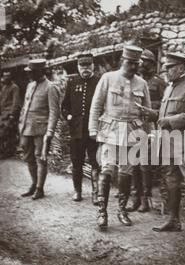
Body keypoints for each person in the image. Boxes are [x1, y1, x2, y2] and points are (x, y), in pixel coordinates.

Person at [140, 52, 185, 242]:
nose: (166, 71)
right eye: (166, 67)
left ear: (181, 67)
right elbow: (164, 114)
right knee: (171, 180)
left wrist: (168, 121)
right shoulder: (171, 87)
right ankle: (173, 220)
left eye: (169, 67)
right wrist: (152, 114)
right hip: (170, 141)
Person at [89, 45, 151, 230]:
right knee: (106, 170)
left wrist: (147, 134)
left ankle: (122, 210)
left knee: (126, 173)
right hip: (111, 131)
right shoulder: (108, 78)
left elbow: (146, 113)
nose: (133, 67)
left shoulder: (142, 84)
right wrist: (93, 129)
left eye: (136, 64)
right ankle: (102, 212)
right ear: (123, 61)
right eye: (130, 63)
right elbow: (96, 104)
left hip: (132, 132)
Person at [127, 49, 166, 213]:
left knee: (145, 164)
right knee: (133, 163)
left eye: (145, 62)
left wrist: (153, 111)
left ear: (152, 63)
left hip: (150, 127)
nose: (142, 65)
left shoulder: (158, 82)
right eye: (140, 62)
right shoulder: (136, 82)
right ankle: (135, 199)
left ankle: (145, 199)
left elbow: (164, 106)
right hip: (135, 126)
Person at [61, 52, 101, 204]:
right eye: (82, 65)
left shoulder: (99, 82)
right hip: (76, 131)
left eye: (88, 65)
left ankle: (96, 193)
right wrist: (68, 116)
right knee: (76, 161)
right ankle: (77, 191)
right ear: (78, 67)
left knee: (95, 162)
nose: (85, 68)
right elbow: (64, 106)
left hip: (94, 131)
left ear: (93, 65)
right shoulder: (72, 82)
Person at [19, 59, 60, 200]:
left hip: (41, 130)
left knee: (40, 158)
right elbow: (25, 107)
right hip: (26, 128)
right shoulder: (30, 86)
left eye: (32, 72)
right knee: (28, 158)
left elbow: (54, 112)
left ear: (40, 71)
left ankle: (39, 188)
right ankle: (34, 183)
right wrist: (21, 124)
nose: (29, 75)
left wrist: (49, 132)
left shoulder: (51, 87)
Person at [0, 71, 21, 158]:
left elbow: (15, 102)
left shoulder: (14, 87)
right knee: (5, 133)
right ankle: (5, 151)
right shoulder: (4, 87)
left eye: (8, 76)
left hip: (9, 114)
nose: (6, 78)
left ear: (11, 77)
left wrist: (12, 114)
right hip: (3, 114)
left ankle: (8, 152)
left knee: (6, 133)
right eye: (5, 76)